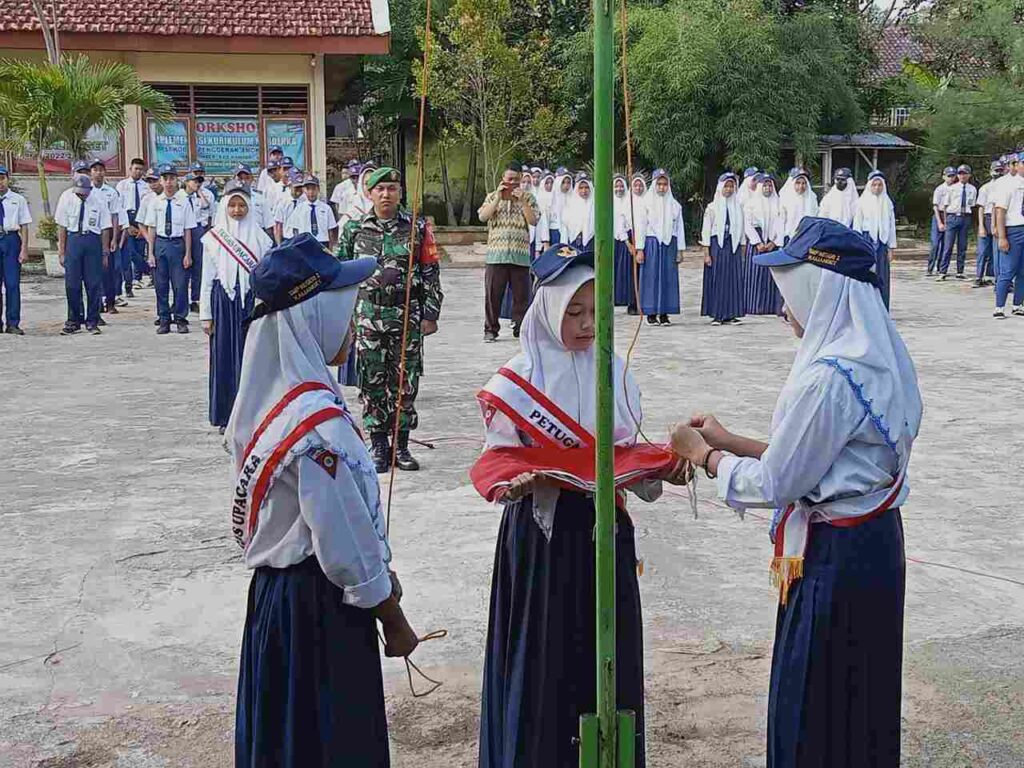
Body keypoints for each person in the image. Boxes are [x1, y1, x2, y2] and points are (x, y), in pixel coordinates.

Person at [670, 216, 922, 768]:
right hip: (874, 546)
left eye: (791, 292)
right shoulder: (880, 357)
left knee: (815, 699)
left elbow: (783, 481)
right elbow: (825, 462)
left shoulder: (830, 377)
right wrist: (733, 439)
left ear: (822, 290)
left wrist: (706, 457)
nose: (785, 307)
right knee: (862, 698)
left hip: (835, 559)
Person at [472, 245, 686, 768]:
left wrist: (661, 469)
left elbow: (627, 449)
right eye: (574, 312)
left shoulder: (612, 370)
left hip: (604, 530)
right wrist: (517, 481)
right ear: (546, 309)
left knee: (603, 656)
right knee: (546, 656)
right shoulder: (515, 382)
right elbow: (497, 458)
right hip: (543, 538)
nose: (589, 325)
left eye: (597, 311)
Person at [228, 238, 419, 767]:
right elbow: (343, 542)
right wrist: (391, 613)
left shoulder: (269, 398)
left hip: (275, 600)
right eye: (345, 308)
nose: (353, 323)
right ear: (315, 314)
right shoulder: (316, 425)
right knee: (328, 741)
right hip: (318, 608)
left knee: (287, 738)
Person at [336, 166, 444, 472]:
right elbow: (340, 276)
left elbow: (430, 272)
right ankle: (379, 445)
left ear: (400, 193)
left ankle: (402, 446)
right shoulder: (354, 228)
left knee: (405, 382)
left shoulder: (417, 229)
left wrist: (431, 313)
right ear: (370, 193)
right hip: (368, 316)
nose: (386, 194)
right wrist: (342, 318)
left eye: (392, 189)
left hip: (406, 317)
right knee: (371, 381)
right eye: (380, 189)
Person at [199, 180, 274, 432]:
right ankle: (227, 416)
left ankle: (254, 414)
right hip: (224, 302)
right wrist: (205, 315)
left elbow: (266, 277)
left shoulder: (262, 240)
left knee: (252, 358)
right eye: (232, 205)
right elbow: (207, 279)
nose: (237, 210)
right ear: (224, 207)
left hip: (252, 304)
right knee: (225, 357)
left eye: (242, 205)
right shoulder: (213, 239)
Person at [478, 164, 538, 342]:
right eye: (508, 179)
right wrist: (497, 198)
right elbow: (483, 216)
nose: (512, 183)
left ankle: (521, 327)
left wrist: (522, 202)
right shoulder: (492, 197)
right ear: (502, 179)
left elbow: (533, 220)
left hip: (520, 254)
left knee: (522, 295)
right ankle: (490, 329)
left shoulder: (529, 198)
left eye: (515, 179)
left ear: (520, 179)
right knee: (493, 295)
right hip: (497, 254)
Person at [142, 164, 197, 335]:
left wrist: (188, 253)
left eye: (172, 178)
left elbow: (188, 229)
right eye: (165, 179)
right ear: (161, 181)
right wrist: (150, 253)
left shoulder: (184, 202)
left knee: (180, 285)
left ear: (177, 180)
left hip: (177, 244)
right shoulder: (155, 202)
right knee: (161, 285)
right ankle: (164, 319)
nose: (169, 182)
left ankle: (180, 318)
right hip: (161, 244)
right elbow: (151, 228)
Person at [56, 175, 112, 335]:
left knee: (93, 284)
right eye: (79, 192)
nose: (81, 195)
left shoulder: (99, 200)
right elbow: (62, 226)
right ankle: (73, 321)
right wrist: (61, 251)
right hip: (73, 240)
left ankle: (92, 321)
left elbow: (105, 227)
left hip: (92, 241)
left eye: (84, 192)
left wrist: (105, 252)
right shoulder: (66, 197)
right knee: (72, 284)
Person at [637, 168, 685, 326]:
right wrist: (640, 249)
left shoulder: (675, 206)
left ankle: (664, 313)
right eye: (659, 184)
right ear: (654, 185)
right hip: (651, 244)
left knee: (668, 278)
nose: (662, 187)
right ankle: (651, 313)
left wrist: (679, 250)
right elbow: (641, 227)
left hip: (668, 245)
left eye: (665, 184)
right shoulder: (646, 203)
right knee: (651, 277)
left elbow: (679, 229)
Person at [700, 171, 746, 325]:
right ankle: (717, 314)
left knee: (733, 280)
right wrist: (706, 253)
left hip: (733, 246)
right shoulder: (712, 207)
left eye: (731, 186)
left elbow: (742, 228)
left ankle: (731, 313)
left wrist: (743, 248)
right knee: (718, 279)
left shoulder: (738, 206)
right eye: (726, 186)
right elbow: (706, 230)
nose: (728, 189)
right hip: (717, 246)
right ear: (720, 188)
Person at [853, 170, 898, 310]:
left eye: (879, 185)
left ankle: (882, 308)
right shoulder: (862, 202)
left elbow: (891, 227)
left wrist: (891, 247)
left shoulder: (887, 203)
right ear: (869, 186)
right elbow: (857, 225)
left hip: (882, 243)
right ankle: (866, 308)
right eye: (874, 185)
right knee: (867, 275)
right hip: (867, 241)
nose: (877, 188)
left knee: (882, 275)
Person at [743, 173, 785, 315]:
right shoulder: (750, 204)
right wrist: (758, 242)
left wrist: (774, 242)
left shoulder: (779, 203)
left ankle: (770, 307)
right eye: (765, 185)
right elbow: (747, 225)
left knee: (772, 276)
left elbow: (781, 224)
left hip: (773, 244)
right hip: (756, 244)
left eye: (769, 185)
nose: (767, 188)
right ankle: (754, 307)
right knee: (755, 275)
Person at [990, 153, 1024, 318]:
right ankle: (999, 307)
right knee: (1008, 270)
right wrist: (1002, 236)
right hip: (1013, 229)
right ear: (1016, 166)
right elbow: (1000, 211)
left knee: (1023, 271)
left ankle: (1018, 304)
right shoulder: (1007, 184)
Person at [89, 159, 124, 316]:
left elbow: (115, 216)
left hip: (108, 233)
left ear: (105, 172)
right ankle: (96, 305)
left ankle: (110, 302)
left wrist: (114, 238)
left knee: (109, 270)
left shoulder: (111, 192)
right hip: (92, 233)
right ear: (91, 172)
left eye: (101, 169)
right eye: (95, 169)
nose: (98, 172)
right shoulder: (85, 190)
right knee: (93, 271)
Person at [0, 165, 32, 335]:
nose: (0, 182)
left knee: (12, 284)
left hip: (11, 240)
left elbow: (25, 226)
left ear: (8, 179)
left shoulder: (17, 199)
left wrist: (24, 249)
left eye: (2, 178)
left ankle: (13, 323)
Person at [116, 158, 149, 298]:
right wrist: (126, 226)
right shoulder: (122, 185)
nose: (138, 171)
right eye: (136, 169)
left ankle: (138, 278)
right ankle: (128, 285)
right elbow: (119, 207)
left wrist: (144, 228)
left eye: (141, 169)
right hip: (127, 218)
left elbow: (149, 207)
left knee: (140, 253)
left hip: (141, 219)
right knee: (128, 253)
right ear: (130, 169)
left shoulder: (146, 186)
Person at [937, 163, 976, 281]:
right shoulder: (952, 188)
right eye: (960, 174)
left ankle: (960, 271)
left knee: (962, 246)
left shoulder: (972, 189)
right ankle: (942, 271)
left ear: (969, 175)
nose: (962, 176)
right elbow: (945, 206)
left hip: (965, 217)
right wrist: (945, 221)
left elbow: (972, 205)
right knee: (948, 246)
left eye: (965, 174)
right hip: (952, 217)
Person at [281, 176, 339, 250]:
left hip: (322, 242)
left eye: (313, 189)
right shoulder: (299, 208)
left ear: (318, 189)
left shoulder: (326, 208)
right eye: (308, 189)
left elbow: (330, 230)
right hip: (305, 243)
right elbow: (295, 229)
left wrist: (331, 248)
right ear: (304, 190)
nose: (311, 192)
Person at [185, 171, 214, 314]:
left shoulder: (200, 197)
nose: (197, 184)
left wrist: (199, 192)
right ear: (187, 182)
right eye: (194, 181)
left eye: (199, 182)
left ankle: (195, 298)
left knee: (198, 266)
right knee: (183, 267)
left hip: (197, 229)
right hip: (182, 231)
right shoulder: (180, 197)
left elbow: (206, 206)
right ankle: (182, 299)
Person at [974, 160, 1005, 287]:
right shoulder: (985, 188)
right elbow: (981, 207)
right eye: (996, 170)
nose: (998, 173)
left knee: (997, 251)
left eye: (1000, 170)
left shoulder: (1005, 186)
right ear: (991, 171)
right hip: (987, 218)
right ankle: (978, 276)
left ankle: (995, 277)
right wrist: (981, 226)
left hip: (999, 218)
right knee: (982, 251)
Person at [613, 173, 638, 310]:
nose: (619, 188)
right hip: (612, 239)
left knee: (628, 272)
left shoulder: (630, 200)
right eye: (616, 186)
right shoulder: (608, 200)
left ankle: (630, 301)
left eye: (621, 185)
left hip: (627, 240)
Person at [927, 167, 957, 275]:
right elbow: (935, 206)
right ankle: (930, 267)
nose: (951, 178)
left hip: (949, 215)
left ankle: (941, 268)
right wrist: (940, 222)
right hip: (938, 215)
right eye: (949, 176)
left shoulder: (956, 188)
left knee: (946, 245)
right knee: (935, 244)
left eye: (953, 176)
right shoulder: (939, 189)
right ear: (943, 176)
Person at [779, 169, 818, 244]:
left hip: (808, 238)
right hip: (789, 238)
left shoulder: (812, 198)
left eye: (804, 183)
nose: (801, 186)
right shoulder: (785, 198)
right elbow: (781, 221)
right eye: (798, 183)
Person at [562, 173, 595, 251]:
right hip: (574, 242)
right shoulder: (570, 204)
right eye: (581, 188)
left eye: (586, 187)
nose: (584, 191)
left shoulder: (595, 204)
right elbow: (565, 226)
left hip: (592, 242)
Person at [274, 169, 308, 243]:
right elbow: (278, 225)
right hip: (288, 238)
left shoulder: (306, 202)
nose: (299, 191)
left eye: (300, 188)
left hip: (303, 238)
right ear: (290, 186)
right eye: (296, 188)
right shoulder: (283, 203)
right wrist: (279, 244)